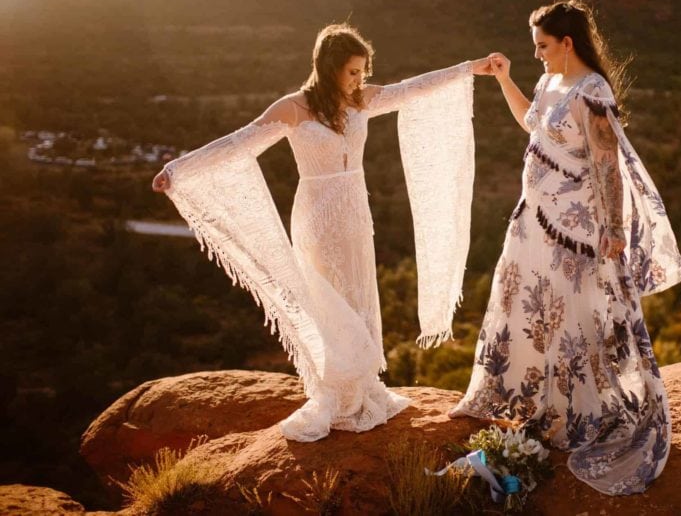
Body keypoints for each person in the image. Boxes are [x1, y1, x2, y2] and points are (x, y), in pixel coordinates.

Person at [153, 23, 491, 442]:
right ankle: (335, 391)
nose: (358, 80)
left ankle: (361, 389)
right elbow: (238, 144)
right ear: (328, 67)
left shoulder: (362, 99)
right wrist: (178, 170)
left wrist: (469, 69)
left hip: (355, 212)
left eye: (362, 72)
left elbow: (412, 89)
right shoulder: (293, 108)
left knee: (357, 295)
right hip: (316, 215)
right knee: (325, 300)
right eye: (351, 71)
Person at [449, 0, 681, 494]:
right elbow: (532, 125)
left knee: (571, 313)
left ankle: (576, 413)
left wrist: (614, 229)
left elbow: (606, 164)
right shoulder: (546, 81)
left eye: (541, 45)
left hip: (573, 227)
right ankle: (529, 401)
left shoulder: (592, 89)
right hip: (532, 221)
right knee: (528, 307)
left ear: (567, 43)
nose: (535, 53)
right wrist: (503, 79)